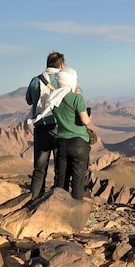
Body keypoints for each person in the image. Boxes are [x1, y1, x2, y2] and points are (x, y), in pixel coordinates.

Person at [26, 52, 65, 200]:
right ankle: (58, 201)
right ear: (61, 65)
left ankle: (34, 200)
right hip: (58, 127)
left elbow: (29, 101)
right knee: (60, 168)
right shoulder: (64, 81)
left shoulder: (35, 80)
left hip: (41, 127)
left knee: (39, 168)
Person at [51, 67, 91, 200]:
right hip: (78, 143)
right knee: (78, 181)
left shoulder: (53, 99)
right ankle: (77, 211)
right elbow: (85, 120)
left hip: (61, 143)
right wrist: (89, 117)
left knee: (61, 179)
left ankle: (59, 209)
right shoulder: (76, 98)